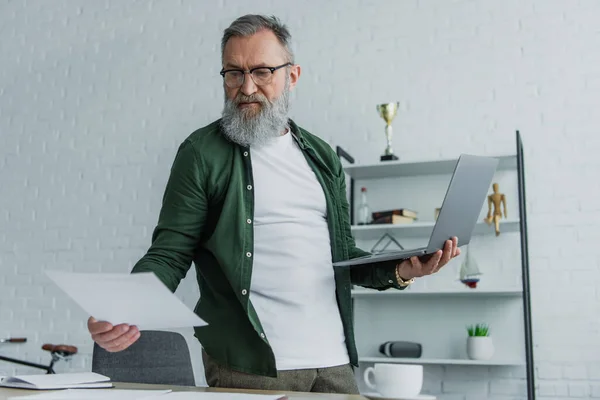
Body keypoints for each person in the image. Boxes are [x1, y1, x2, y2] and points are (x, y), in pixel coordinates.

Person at [87, 14, 461, 394]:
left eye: (262, 71)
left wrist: (403, 269)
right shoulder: (200, 154)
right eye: (233, 73)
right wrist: (124, 307)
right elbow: (169, 254)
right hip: (250, 367)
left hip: (334, 362)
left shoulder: (322, 156)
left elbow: (343, 256)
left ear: (292, 76)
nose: (247, 87)